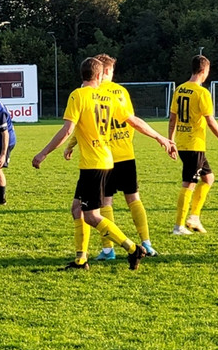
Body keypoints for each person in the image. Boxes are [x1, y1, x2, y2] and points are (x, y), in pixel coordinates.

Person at [32, 57, 175, 271]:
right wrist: (159, 137)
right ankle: (81, 260)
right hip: (101, 160)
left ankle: (132, 248)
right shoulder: (108, 98)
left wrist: (44, 153)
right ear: (99, 75)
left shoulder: (78, 95)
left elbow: (68, 129)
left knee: (92, 215)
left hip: (94, 164)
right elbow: (134, 121)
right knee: (77, 209)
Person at [65, 54, 162, 259]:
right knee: (133, 198)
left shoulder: (92, 93)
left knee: (104, 203)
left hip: (101, 155)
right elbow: (132, 120)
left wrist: (71, 144)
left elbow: (85, 125)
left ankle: (108, 249)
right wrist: (157, 137)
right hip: (125, 153)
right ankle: (146, 242)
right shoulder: (120, 92)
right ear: (106, 71)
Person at [169, 54, 218, 236]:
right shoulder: (202, 92)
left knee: (208, 178)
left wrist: (171, 140)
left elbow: (172, 118)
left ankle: (194, 218)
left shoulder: (180, 89)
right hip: (194, 144)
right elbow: (210, 120)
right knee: (189, 183)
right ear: (205, 70)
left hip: (183, 142)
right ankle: (179, 226)